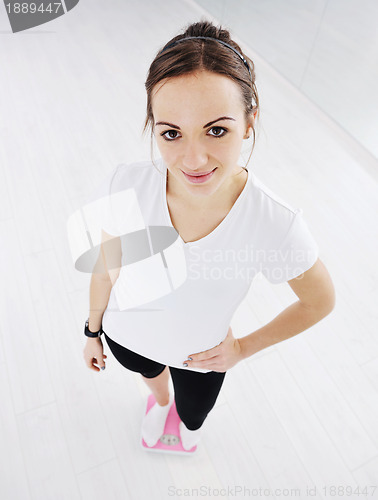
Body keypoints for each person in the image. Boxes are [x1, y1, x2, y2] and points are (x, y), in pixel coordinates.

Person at [81, 20, 335, 452]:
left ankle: (177, 411)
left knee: (193, 418)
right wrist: (91, 330)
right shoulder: (125, 184)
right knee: (153, 382)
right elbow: (107, 266)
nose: (193, 159)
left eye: (216, 130)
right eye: (171, 133)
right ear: (154, 125)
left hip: (200, 359)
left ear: (249, 122)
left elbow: (319, 300)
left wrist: (242, 348)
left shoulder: (274, 221)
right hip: (126, 335)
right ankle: (159, 401)